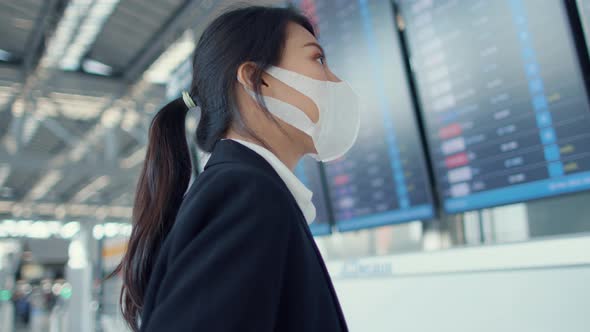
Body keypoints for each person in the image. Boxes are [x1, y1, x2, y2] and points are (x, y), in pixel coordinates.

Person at [113, 5, 360, 332]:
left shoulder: (243, 187)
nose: (335, 80)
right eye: (318, 60)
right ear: (256, 78)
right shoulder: (246, 194)